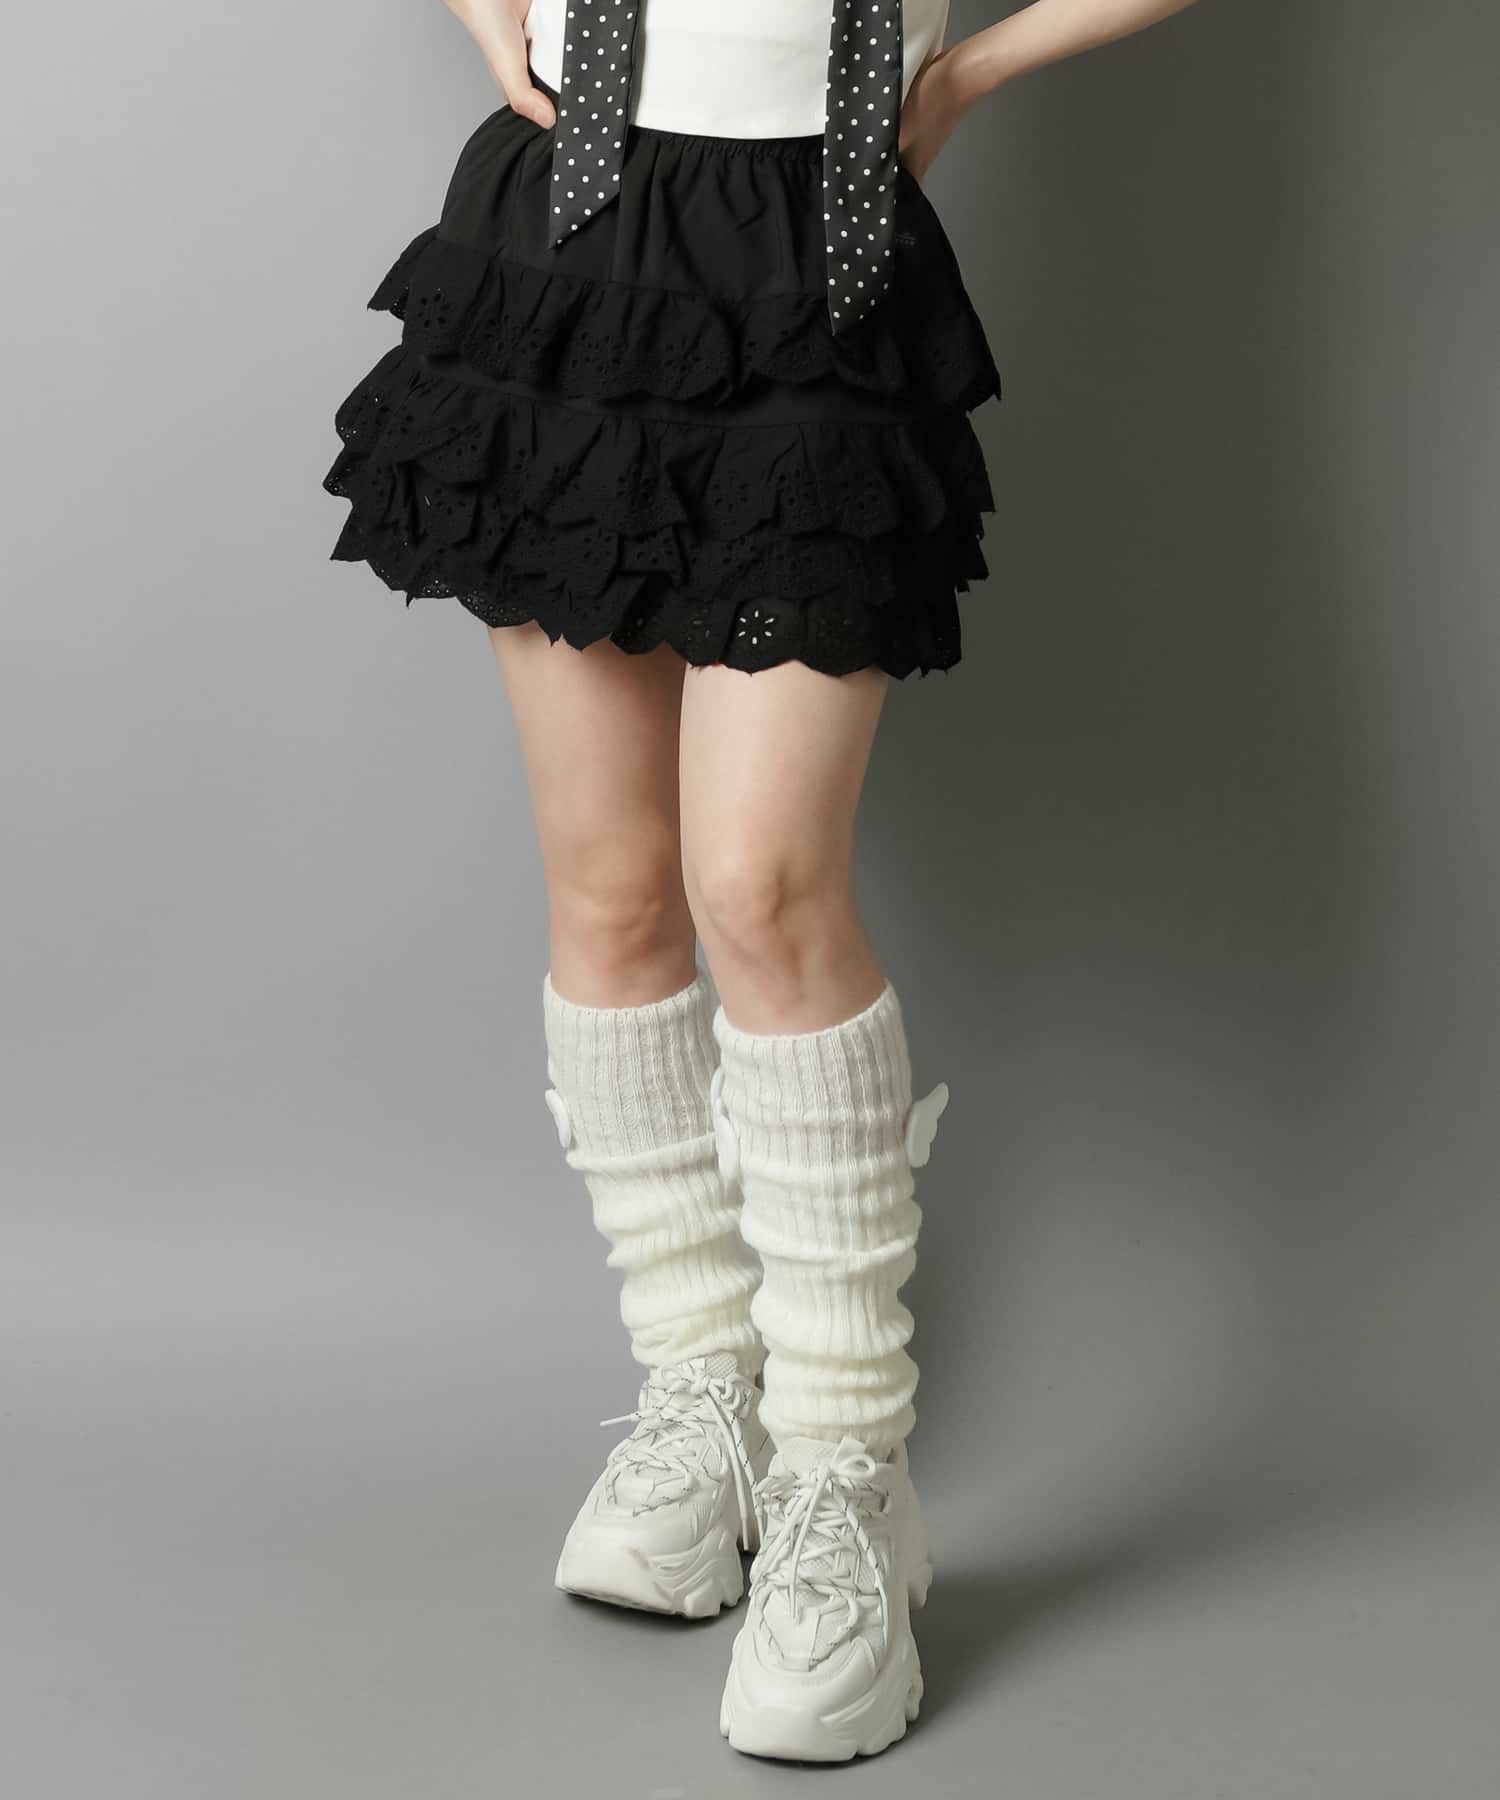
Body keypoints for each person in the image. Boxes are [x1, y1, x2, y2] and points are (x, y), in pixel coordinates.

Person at [324, 0, 1201, 1763]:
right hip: (569, 238)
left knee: (763, 890)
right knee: (613, 889)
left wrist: (967, 70)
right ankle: (702, 1397)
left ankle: (843, 1477)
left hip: (823, 248)